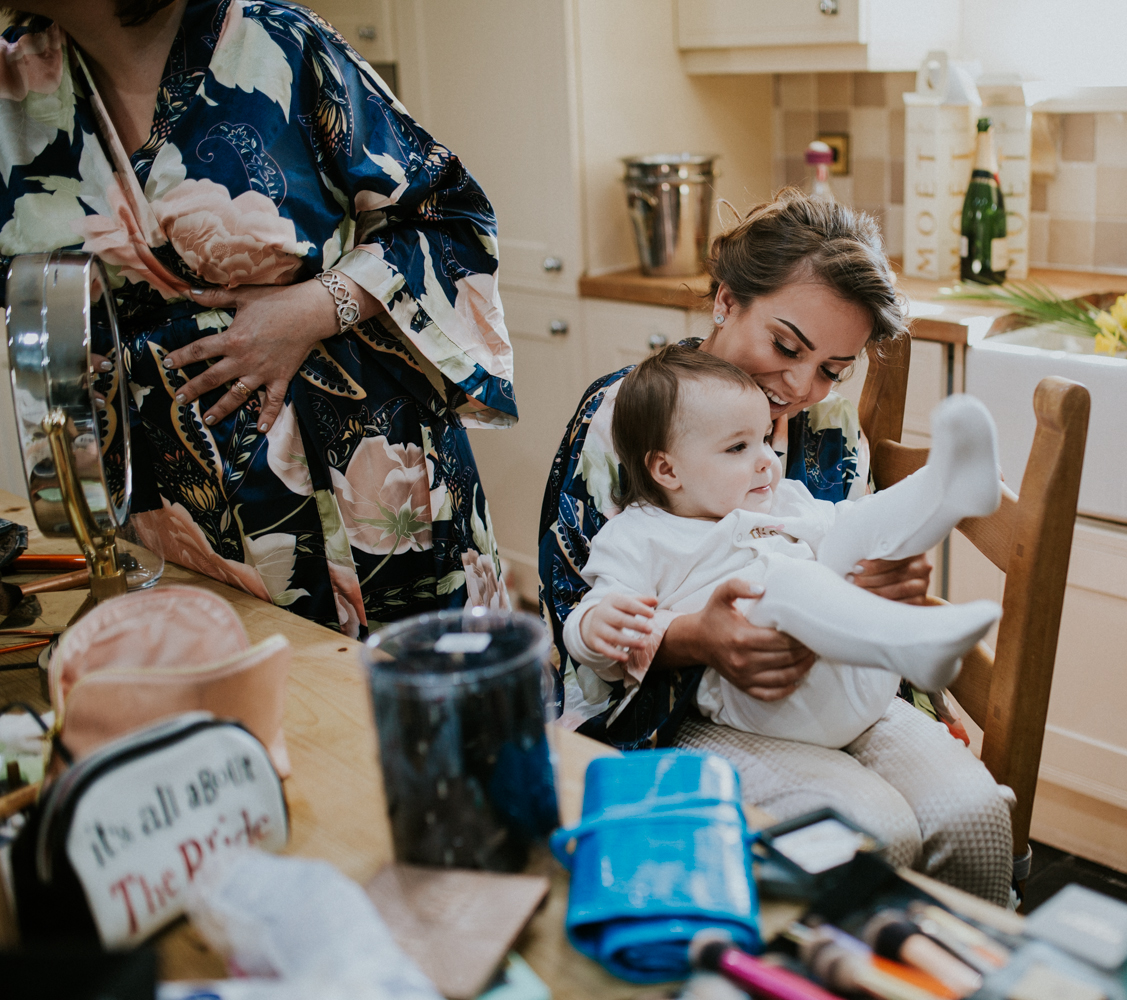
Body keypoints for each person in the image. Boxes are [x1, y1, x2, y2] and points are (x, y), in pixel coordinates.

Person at [538, 192, 1016, 903]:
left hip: (842, 678)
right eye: (787, 347)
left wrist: (881, 580)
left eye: (832, 368)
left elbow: (841, 543)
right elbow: (578, 617)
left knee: (972, 814)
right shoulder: (630, 418)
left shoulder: (824, 426)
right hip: (693, 707)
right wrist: (696, 637)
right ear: (726, 302)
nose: (800, 386)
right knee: (874, 831)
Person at [0, 0, 515, 634]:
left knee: (417, 715)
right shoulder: (12, 89)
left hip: (365, 490)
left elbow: (451, 218)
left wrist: (316, 305)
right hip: (172, 515)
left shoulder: (278, 45)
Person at [563, 346, 1004, 750]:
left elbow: (855, 533)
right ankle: (911, 640)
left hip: (861, 672)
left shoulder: (782, 497)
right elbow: (593, 615)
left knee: (851, 529)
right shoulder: (639, 535)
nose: (766, 461)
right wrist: (590, 627)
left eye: (764, 439)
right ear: (667, 469)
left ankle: (945, 490)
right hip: (775, 699)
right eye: (738, 447)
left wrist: (881, 551)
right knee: (787, 582)